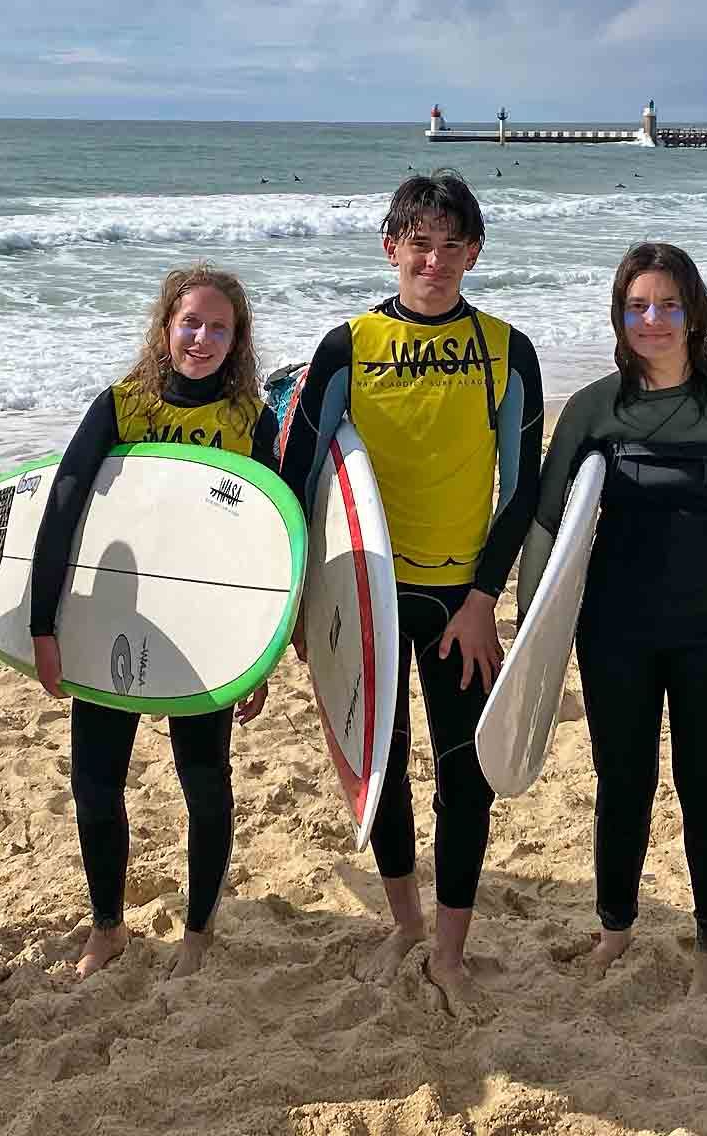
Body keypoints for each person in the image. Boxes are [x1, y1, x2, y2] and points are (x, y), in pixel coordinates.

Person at [275, 170, 545, 1016]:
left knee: (465, 778)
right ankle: (403, 921)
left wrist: (482, 597)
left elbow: (523, 488)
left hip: (456, 602)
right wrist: (298, 605)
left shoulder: (507, 348)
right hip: (367, 600)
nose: (435, 259)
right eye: (419, 243)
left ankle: (451, 950)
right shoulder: (345, 347)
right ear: (391, 248)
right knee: (380, 767)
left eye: (451, 244)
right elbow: (301, 477)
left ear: (474, 252)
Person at [532, 243, 707, 997]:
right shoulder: (591, 408)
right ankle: (616, 927)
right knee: (623, 782)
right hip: (613, 630)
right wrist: (534, 646)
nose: (654, 320)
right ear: (619, 317)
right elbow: (548, 529)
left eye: (668, 304)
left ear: (694, 312)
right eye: (638, 306)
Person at [29, 264, 278, 980]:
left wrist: (257, 655)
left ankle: (198, 929)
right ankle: (107, 926)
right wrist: (45, 627)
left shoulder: (249, 423)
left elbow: (270, 545)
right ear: (166, 326)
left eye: (219, 327)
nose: (202, 338)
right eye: (190, 322)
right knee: (96, 784)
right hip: (115, 617)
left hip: (206, 628)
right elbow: (64, 510)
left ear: (238, 340)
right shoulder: (121, 407)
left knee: (204, 781)